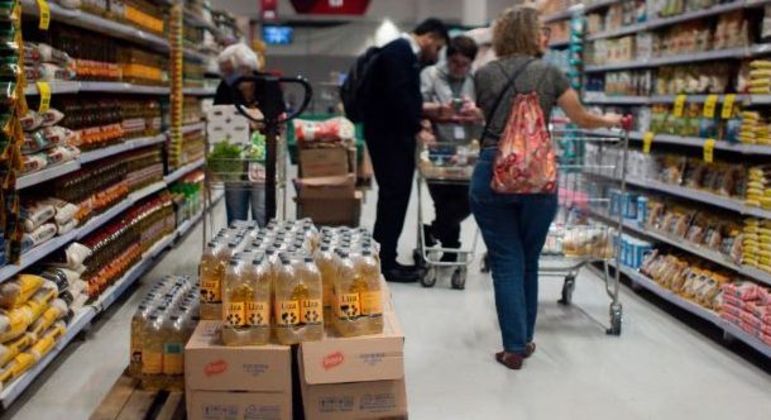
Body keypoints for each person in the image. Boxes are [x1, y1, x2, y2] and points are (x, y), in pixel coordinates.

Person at [471, 6, 622, 370]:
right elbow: (581, 118)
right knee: (528, 259)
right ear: (532, 35)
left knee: (506, 259)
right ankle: (524, 339)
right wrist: (611, 120)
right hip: (538, 177)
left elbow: (484, 115)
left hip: (493, 170)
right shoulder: (551, 73)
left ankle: (513, 348)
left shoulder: (484, 74)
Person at [362, 18, 449, 283]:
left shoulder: (399, 53)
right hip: (390, 137)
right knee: (394, 197)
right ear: (430, 38)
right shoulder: (400, 53)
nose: (435, 55)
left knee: (393, 197)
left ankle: (385, 258)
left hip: (388, 135)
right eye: (438, 48)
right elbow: (398, 97)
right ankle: (385, 263)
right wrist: (416, 126)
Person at [420, 35, 483, 262]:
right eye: (455, 63)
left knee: (469, 200)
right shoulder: (430, 75)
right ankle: (450, 249)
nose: (460, 69)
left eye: (465, 64)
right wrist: (439, 109)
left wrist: (476, 111)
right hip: (438, 149)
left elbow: (487, 108)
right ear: (448, 59)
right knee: (444, 200)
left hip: (468, 150)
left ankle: (433, 232)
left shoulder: (476, 79)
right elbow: (417, 106)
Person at [214, 43, 282, 227]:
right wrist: (253, 118)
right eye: (225, 71)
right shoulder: (225, 88)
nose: (227, 76)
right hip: (233, 156)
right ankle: (236, 250)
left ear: (247, 67)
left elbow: (273, 119)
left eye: (230, 70)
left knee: (262, 210)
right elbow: (219, 119)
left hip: (262, 157)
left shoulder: (269, 84)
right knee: (236, 214)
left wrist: (244, 118)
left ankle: (263, 248)